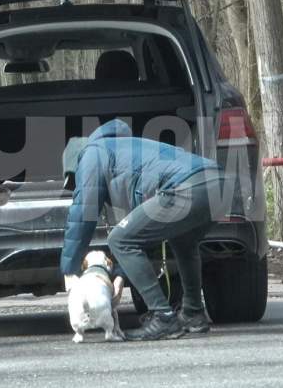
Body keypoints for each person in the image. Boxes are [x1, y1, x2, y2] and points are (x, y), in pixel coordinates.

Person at [61, 119, 226, 340]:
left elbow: (83, 214)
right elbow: (143, 238)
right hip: (221, 184)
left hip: (187, 188)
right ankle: (193, 312)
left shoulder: (92, 154)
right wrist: (119, 274)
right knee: (183, 240)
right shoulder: (129, 151)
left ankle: (164, 317)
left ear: (75, 161)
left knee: (119, 239)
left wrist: (69, 269)